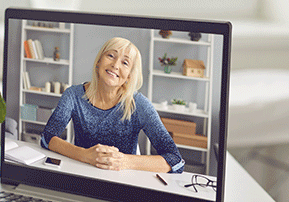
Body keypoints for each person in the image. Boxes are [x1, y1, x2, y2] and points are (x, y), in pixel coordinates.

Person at [41, 37, 184, 173]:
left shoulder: (139, 104)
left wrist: (125, 161)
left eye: (125, 63)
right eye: (111, 56)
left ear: (129, 76)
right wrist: (85, 155)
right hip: (81, 176)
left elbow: (175, 160)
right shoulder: (73, 95)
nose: (115, 65)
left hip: (122, 183)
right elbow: (47, 137)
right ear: (98, 61)